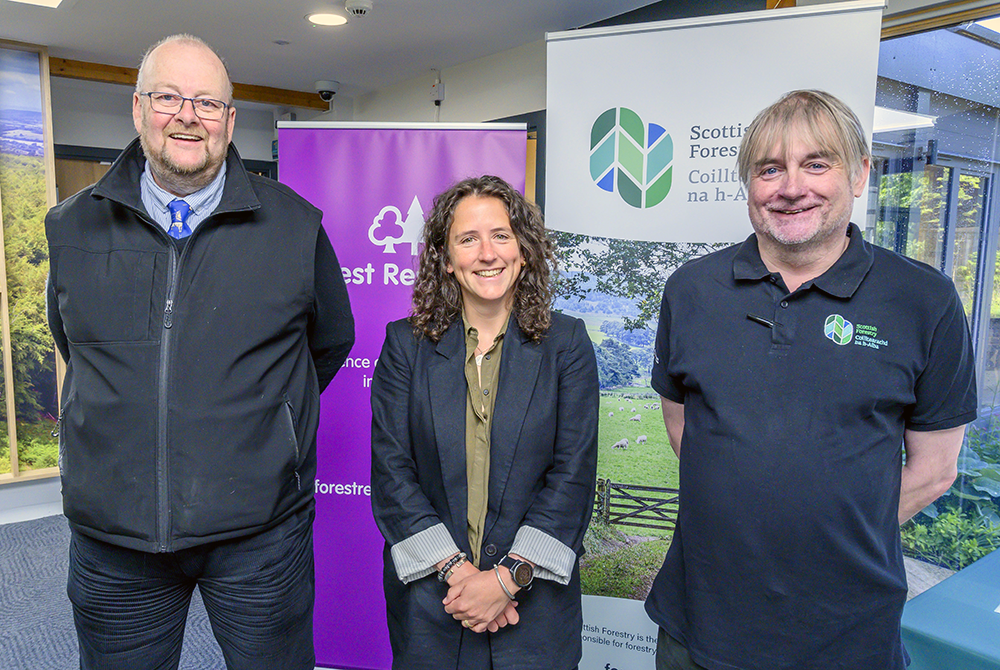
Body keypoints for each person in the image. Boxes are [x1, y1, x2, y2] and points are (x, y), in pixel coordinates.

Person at [45, 34, 355, 670]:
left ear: (229, 120)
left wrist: (270, 424)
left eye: (208, 103)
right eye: (169, 97)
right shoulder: (71, 226)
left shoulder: (296, 225)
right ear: (138, 109)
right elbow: (71, 340)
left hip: (261, 536)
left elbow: (328, 344)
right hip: (114, 538)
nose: (188, 115)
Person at [645, 90, 977, 670]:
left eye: (816, 164)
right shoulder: (691, 290)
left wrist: (826, 530)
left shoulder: (924, 301)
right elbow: (685, 433)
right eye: (769, 169)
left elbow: (934, 471)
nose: (791, 187)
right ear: (749, 185)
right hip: (698, 629)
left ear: (860, 174)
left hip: (846, 636)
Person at [370, 175, 599, 669]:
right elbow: (392, 474)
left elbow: (573, 475)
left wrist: (505, 579)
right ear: (446, 261)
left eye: (500, 235)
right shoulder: (404, 346)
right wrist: (461, 575)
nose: (487, 253)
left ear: (523, 251)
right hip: (434, 602)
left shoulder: (567, 345)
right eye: (467, 239)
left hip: (533, 605)